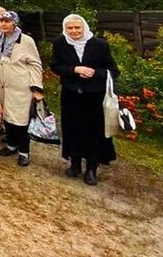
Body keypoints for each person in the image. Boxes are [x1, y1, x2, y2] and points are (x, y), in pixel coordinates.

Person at [50, 14, 119, 185]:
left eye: (77, 28)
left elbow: (113, 71)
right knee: (72, 129)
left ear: (84, 28)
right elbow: (55, 65)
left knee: (93, 132)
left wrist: (95, 73)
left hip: (94, 96)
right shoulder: (60, 43)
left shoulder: (100, 45)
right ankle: (74, 164)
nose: (74, 31)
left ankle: (91, 168)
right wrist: (74, 69)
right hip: (71, 94)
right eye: (70, 28)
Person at [0, 11, 43, 167]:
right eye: (2, 21)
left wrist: (37, 88)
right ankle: (11, 145)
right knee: (7, 117)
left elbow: (35, 64)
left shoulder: (25, 41)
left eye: (7, 21)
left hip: (20, 87)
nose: (3, 24)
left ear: (14, 23)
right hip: (2, 85)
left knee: (20, 120)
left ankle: (24, 151)